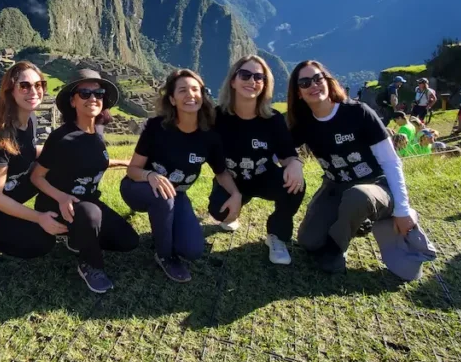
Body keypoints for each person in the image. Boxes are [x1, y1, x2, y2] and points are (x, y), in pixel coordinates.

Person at [287, 60, 426, 276]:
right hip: (336, 185)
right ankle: (359, 221)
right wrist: (294, 162)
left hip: (376, 186)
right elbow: (282, 149)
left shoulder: (357, 113)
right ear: (298, 93)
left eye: (317, 79)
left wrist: (403, 209)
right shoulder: (304, 123)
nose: (313, 85)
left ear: (328, 81)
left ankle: (335, 249)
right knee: (308, 241)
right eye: (305, 83)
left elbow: (390, 161)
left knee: (357, 197)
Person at [121, 69, 238, 282]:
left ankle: (167, 228)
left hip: (176, 193)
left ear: (202, 96)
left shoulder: (209, 135)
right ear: (172, 99)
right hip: (137, 188)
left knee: (192, 250)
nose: (190, 95)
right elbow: (132, 170)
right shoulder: (157, 127)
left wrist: (235, 194)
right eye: (182, 90)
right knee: (163, 199)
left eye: (195, 90)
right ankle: (164, 256)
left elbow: (221, 172)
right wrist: (150, 176)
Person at [31, 69, 138, 293]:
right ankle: (90, 264)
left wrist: (123, 162)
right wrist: (61, 197)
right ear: (73, 100)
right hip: (58, 203)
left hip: (87, 202)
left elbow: (93, 161)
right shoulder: (62, 138)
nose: (93, 98)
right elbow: (37, 176)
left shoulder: (97, 132)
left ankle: (78, 236)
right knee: (91, 215)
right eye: (85, 93)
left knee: (128, 242)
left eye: (98, 93)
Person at [0, 61, 66, 272]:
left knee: (55, 167)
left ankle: (54, 213)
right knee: (40, 243)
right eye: (24, 86)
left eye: (39, 85)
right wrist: (39, 218)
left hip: (11, 188)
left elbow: (26, 151)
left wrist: (60, 152)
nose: (34, 91)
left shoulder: (29, 119)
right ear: (10, 91)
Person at [208, 55, 306, 265]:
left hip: (264, 177)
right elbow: (190, 135)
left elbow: (287, 154)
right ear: (233, 81)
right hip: (230, 179)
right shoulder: (216, 117)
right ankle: (234, 209)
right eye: (245, 75)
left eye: (259, 77)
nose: (252, 81)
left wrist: (296, 164)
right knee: (220, 212)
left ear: (264, 84)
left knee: (295, 185)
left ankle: (277, 236)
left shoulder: (273, 119)